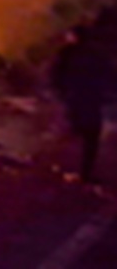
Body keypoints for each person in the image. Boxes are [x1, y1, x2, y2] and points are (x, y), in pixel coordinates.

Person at [52, 23, 112, 183]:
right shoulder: (97, 53)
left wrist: (61, 93)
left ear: (74, 37)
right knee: (91, 135)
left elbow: (56, 75)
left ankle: (74, 167)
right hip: (91, 99)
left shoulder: (67, 53)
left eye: (69, 35)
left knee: (75, 131)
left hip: (76, 99)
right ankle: (85, 170)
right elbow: (108, 75)